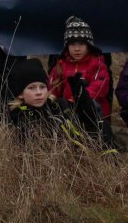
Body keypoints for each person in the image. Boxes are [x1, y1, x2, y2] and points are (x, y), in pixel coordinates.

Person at [47, 15, 111, 144]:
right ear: (67, 46)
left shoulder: (98, 64)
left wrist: (79, 99)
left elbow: (100, 87)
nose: (77, 49)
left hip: (94, 115)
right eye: (72, 44)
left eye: (81, 44)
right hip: (67, 115)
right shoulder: (60, 66)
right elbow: (52, 90)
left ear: (88, 45)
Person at [7, 58, 88, 145]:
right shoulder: (14, 116)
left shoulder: (59, 105)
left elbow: (88, 124)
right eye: (31, 88)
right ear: (20, 94)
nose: (39, 92)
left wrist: (83, 98)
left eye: (42, 87)